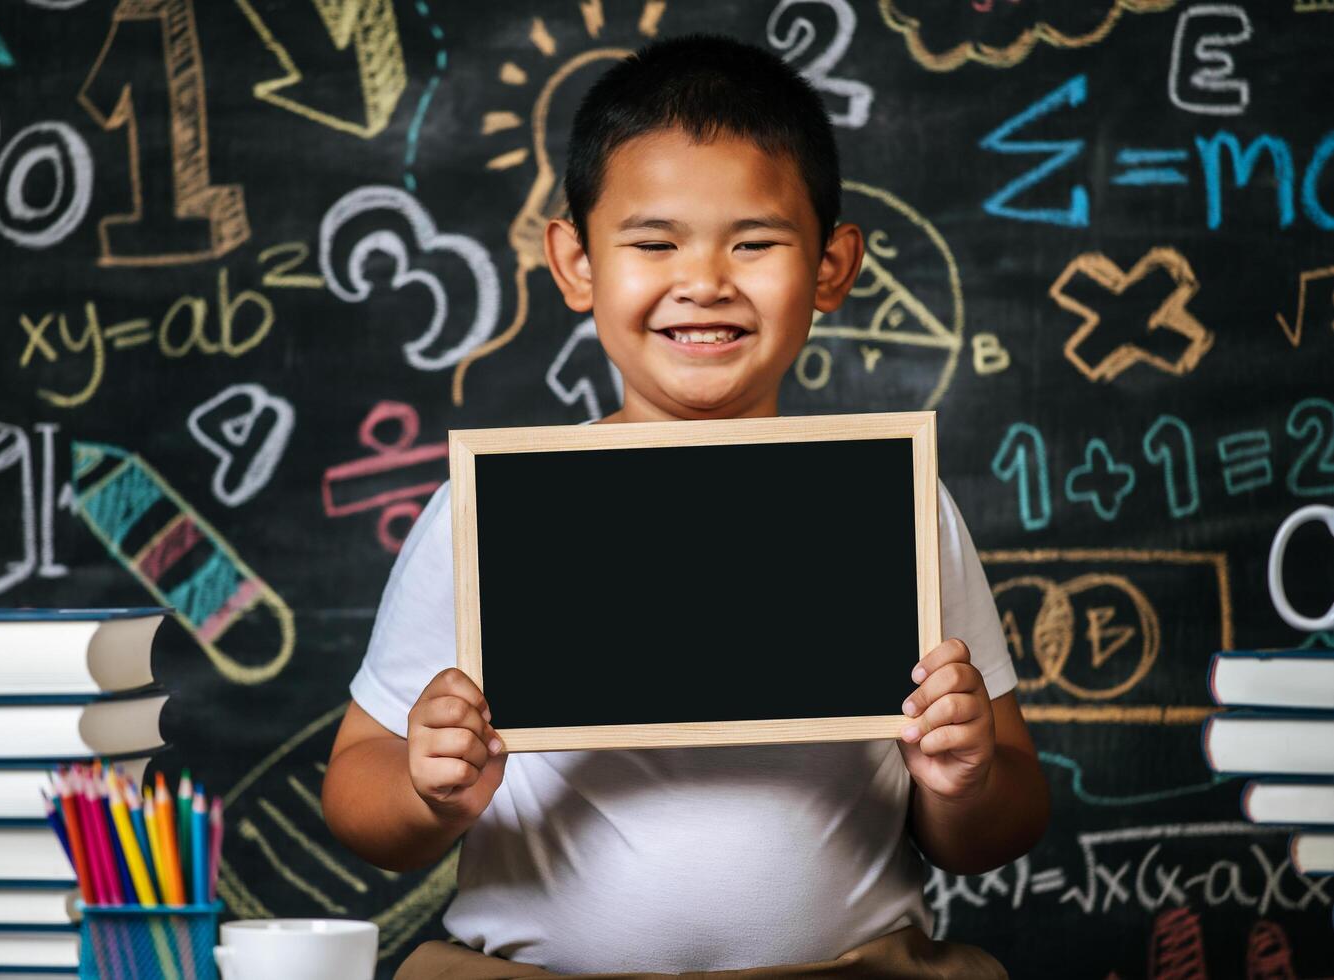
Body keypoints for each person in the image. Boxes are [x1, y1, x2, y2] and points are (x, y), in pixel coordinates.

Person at [322, 32, 1049, 979]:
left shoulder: (895, 503)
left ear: (831, 268)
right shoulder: (487, 512)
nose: (703, 281)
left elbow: (1006, 812)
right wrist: (431, 793)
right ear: (575, 262)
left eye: (753, 242)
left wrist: (960, 778)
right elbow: (357, 787)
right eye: (654, 242)